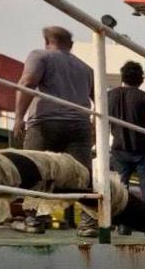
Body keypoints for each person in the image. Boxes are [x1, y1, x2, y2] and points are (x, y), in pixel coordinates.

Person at [12, 26, 94, 168]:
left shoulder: (40, 56)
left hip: (46, 122)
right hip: (80, 126)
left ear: (46, 41)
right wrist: (94, 127)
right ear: (71, 45)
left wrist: (19, 118)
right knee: (77, 176)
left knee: (35, 171)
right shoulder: (86, 69)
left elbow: (28, 83)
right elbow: (100, 99)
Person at [108, 61, 145, 206]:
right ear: (141, 79)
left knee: (121, 190)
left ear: (123, 77)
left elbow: (101, 122)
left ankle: (123, 226)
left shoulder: (109, 96)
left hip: (119, 150)